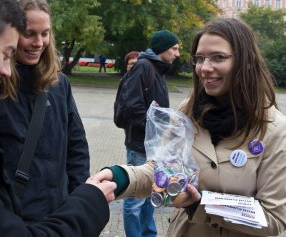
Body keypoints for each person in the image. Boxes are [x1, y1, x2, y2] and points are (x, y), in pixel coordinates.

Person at [90, 18, 286, 237]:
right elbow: (163, 169)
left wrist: (201, 205)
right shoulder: (189, 111)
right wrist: (121, 176)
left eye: (218, 57)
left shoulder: (275, 130)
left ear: (246, 61)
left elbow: (274, 218)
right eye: (200, 58)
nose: (204, 68)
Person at [0, 0, 116, 236]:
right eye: (29, 34)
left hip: (60, 211)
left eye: (45, 33)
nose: (38, 43)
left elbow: (76, 147)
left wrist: (78, 200)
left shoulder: (58, 84)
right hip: (13, 218)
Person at [118, 30, 180, 237]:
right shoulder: (143, 67)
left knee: (151, 195)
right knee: (135, 199)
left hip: (154, 146)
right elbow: (132, 107)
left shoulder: (156, 68)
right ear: (162, 48)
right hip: (140, 145)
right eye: (174, 48)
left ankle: (148, 234)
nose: (177, 54)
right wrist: (155, 132)